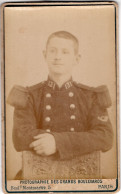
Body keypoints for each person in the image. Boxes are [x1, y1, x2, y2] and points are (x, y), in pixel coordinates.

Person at [7, 31, 113, 179]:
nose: (58, 57)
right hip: (38, 175)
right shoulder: (29, 95)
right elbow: (20, 137)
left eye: (65, 52)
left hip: (83, 174)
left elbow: (105, 137)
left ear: (76, 59)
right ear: (45, 55)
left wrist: (58, 142)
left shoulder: (91, 96)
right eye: (53, 51)